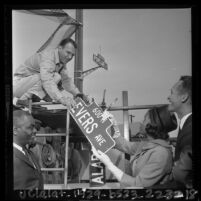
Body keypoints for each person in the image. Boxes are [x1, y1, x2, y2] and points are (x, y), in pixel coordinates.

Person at [92, 105, 177, 188]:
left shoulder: (161, 154)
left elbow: (137, 184)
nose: (141, 121)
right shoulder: (145, 144)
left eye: (144, 119)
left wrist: (109, 164)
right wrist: (113, 124)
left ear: (152, 124)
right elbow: (124, 145)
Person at [13, 38, 88, 108]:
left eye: (72, 55)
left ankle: (34, 100)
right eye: (68, 52)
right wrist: (61, 99)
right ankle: (22, 100)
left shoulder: (60, 62)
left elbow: (66, 80)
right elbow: (47, 80)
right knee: (53, 77)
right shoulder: (48, 57)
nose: (69, 57)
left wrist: (78, 94)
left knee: (58, 79)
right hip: (18, 84)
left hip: (28, 84)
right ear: (60, 48)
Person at [167, 75, 192, 188]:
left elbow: (181, 175)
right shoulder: (186, 126)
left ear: (184, 97)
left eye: (172, 93)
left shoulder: (189, 130)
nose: (168, 97)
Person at [13, 110, 44, 190]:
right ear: (15, 130)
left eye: (34, 127)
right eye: (30, 127)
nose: (35, 131)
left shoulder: (29, 153)